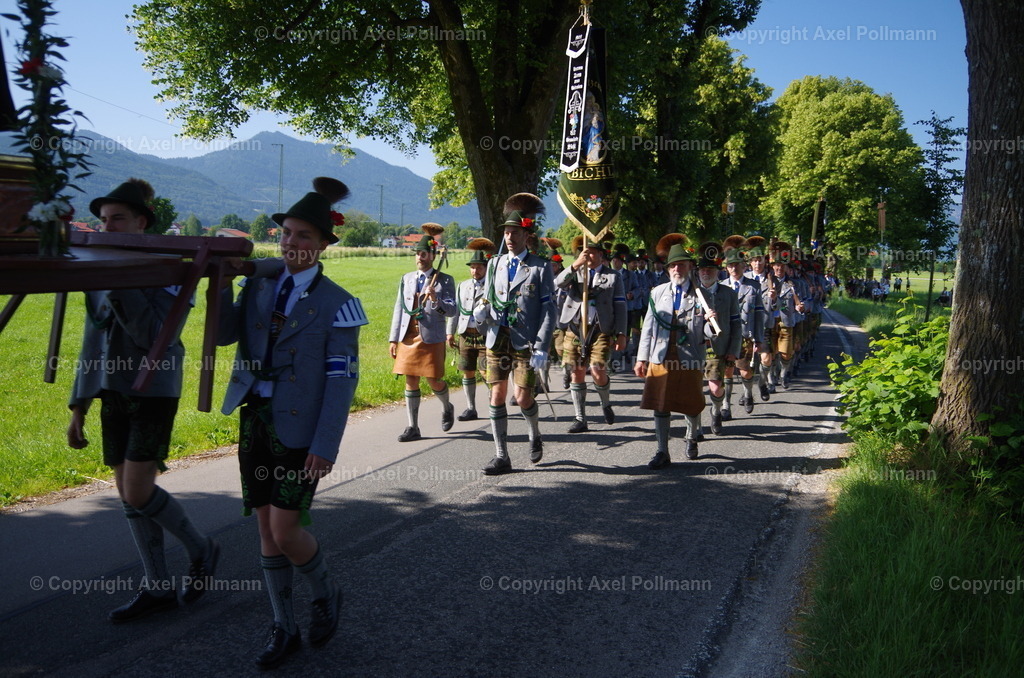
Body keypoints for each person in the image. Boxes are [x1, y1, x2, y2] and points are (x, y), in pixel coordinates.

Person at [217, 177, 367, 669]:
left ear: (324, 244)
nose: (291, 243)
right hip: (254, 419)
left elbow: (341, 383)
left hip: (302, 432)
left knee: (285, 530)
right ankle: (283, 625)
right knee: (265, 527)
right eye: (285, 234)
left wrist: (325, 445)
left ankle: (326, 591)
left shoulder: (339, 304)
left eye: (304, 236)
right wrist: (222, 282)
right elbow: (221, 335)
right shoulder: (258, 283)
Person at [68, 178, 219, 623]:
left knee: (137, 489)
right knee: (125, 492)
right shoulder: (99, 270)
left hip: (153, 388)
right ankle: (157, 585)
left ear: (141, 223)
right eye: (103, 220)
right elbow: (90, 340)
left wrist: (118, 282)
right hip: (112, 389)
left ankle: (201, 548)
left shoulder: (172, 269)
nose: (107, 227)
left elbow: (155, 336)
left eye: (118, 219)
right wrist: (79, 406)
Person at [473, 193, 556, 475]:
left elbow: (549, 311)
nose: (509, 237)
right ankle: (501, 455)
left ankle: (534, 433)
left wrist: (544, 346)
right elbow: (487, 296)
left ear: (525, 234)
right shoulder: (494, 263)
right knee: (496, 395)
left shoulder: (540, 266)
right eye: (506, 232)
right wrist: (480, 310)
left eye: (514, 232)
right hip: (497, 336)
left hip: (526, 341)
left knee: (522, 398)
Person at [635, 236, 710, 467]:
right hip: (661, 354)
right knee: (660, 403)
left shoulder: (703, 294)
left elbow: (710, 332)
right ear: (668, 269)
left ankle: (690, 436)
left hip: (690, 354)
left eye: (682, 264)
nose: (677, 269)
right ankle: (662, 451)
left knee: (691, 400)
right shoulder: (657, 292)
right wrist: (641, 358)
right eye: (673, 265)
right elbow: (648, 326)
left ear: (690, 267)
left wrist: (710, 322)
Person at [390, 224, 457, 442]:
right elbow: (399, 308)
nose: (420, 257)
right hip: (408, 336)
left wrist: (436, 299)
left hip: (431, 336)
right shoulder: (406, 278)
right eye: (417, 254)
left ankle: (447, 406)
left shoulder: (444, 280)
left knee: (434, 380)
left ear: (432, 255)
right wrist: (393, 338)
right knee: (410, 379)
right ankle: (413, 426)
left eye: (424, 253)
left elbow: (452, 309)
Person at [555, 235, 628, 433]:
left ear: (601, 255)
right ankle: (580, 418)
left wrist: (621, 333)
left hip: (600, 330)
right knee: (576, 371)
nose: (589, 255)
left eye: (593, 252)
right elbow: (558, 283)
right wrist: (575, 265)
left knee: (598, 371)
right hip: (575, 328)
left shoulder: (613, 276)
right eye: (585, 252)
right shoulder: (575, 272)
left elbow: (620, 306)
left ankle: (605, 403)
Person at [695, 242, 741, 435]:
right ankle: (695, 426)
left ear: (717, 271)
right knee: (693, 390)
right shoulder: (691, 293)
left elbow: (736, 324)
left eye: (710, 269)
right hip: (693, 346)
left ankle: (715, 411)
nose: (706, 272)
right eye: (702, 269)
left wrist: (734, 351)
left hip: (718, 347)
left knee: (715, 387)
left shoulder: (728, 293)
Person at [446, 238, 495, 421]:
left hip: (484, 336)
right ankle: (470, 407)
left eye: (479, 267)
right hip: (465, 334)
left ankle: (494, 405)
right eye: (472, 267)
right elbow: (455, 310)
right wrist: (450, 332)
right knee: (467, 370)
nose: (475, 270)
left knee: (485, 371)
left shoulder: (492, 286)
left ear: (486, 268)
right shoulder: (463, 286)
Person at [721, 239, 765, 418]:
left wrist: (759, 339)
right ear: (726, 268)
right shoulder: (721, 287)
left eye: (737, 265)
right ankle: (725, 406)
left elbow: (760, 315)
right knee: (727, 370)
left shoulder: (753, 287)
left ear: (743, 266)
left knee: (746, 371)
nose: (734, 268)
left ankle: (747, 394)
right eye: (730, 265)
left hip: (745, 336)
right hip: (725, 336)